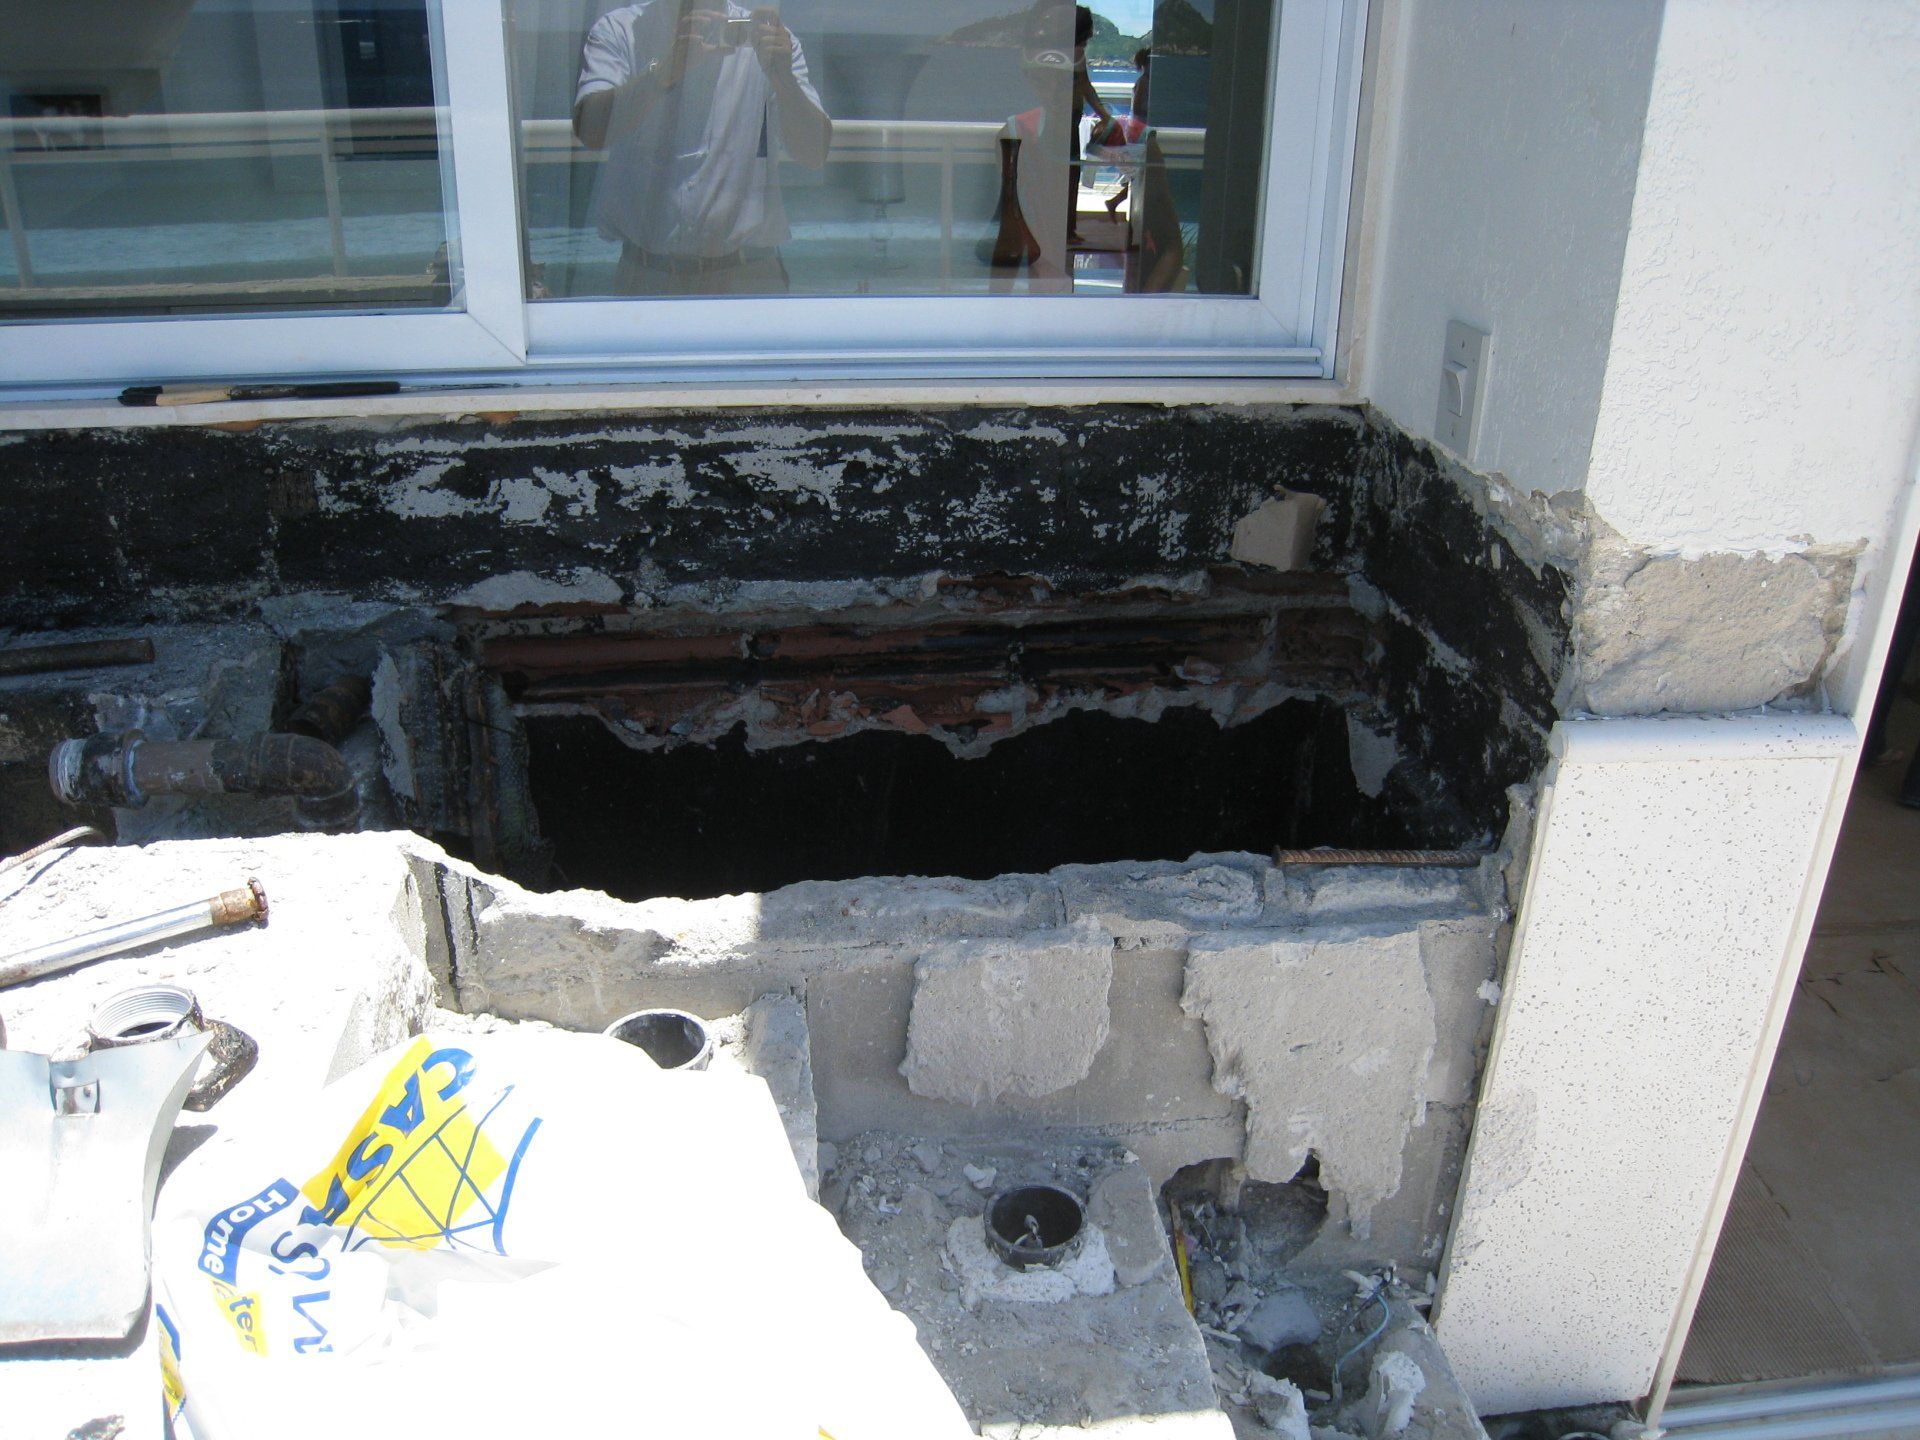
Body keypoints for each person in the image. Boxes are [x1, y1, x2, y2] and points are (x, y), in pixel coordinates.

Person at [573, 0, 831, 295]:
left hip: (745, 278)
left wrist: (783, 78)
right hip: (649, 276)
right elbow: (591, 132)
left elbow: (814, 153)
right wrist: (663, 73)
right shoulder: (618, 31)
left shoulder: (766, 38)